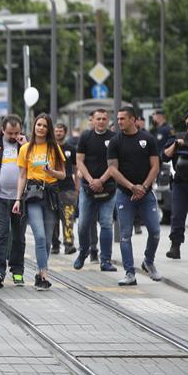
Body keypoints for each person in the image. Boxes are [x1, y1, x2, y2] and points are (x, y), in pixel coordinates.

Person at [107, 107, 162, 286]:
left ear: (133, 120)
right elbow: (113, 169)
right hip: (125, 194)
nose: (119, 122)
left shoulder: (148, 139)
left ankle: (148, 261)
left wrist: (143, 187)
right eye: (118, 119)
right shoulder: (115, 142)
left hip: (145, 194)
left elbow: (155, 166)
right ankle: (130, 273)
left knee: (154, 231)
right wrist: (132, 187)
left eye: (123, 119)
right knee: (125, 234)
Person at [12, 113, 66, 292]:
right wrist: (18, 199)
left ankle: (39, 272)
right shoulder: (25, 148)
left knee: (48, 239)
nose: (41, 128)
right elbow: (21, 176)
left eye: (44, 125)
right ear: (34, 126)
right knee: (40, 237)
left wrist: (51, 171)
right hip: (33, 195)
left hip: (50, 194)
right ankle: (44, 275)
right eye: (38, 125)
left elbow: (63, 175)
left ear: (48, 129)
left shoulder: (54, 148)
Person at [73, 108, 118, 272]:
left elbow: (114, 164)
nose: (101, 121)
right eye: (98, 119)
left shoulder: (114, 138)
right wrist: (91, 180)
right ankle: (83, 252)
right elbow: (79, 161)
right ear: (93, 120)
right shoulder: (85, 136)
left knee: (106, 223)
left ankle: (105, 260)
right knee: (83, 224)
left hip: (109, 188)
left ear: (108, 120)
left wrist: (101, 180)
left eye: (104, 119)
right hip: (87, 188)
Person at [0, 114, 29, 288]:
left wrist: (26, 145)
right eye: (10, 133)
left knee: (19, 237)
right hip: (0, 197)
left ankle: (17, 271)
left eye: (17, 132)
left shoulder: (26, 145)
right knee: (0, 235)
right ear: (3, 130)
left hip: (21, 198)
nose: (14, 136)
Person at [163, 109, 188, 259]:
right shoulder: (177, 137)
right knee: (177, 215)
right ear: (185, 121)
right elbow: (164, 156)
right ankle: (175, 246)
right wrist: (176, 145)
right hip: (180, 184)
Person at [51, 123, 78, 256]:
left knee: (68, 217)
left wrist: (77, 185)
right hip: (53, 187)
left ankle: (69, 244)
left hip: (68, 188)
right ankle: (55, 244)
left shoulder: (71, 149)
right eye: (56, 131)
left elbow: (75, 168)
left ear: (65, 133)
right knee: (53, 219)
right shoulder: (50, 148)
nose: (58, 133)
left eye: (61, 131)